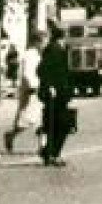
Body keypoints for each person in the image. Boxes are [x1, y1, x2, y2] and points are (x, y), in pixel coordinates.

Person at [37, 23, 74, 167]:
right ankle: (52, 154)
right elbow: (41, 70)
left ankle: (49, 153)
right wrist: (50, 86)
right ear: (63, 36)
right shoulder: (54, 50)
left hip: (60, 93)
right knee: (61, 125)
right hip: (55, 93)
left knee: (56, 124)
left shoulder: (57, 49)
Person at [3, 31, 43, 154]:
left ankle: (43, 146)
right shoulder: (29, 55)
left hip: (39, 90)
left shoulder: (37, 54)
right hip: (30, 91)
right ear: (36, 42)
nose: (44, 44)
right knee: (26, 120)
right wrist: (32, 86)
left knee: (43, 119)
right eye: (42, 41)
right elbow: (27, 73)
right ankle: (10, 135)